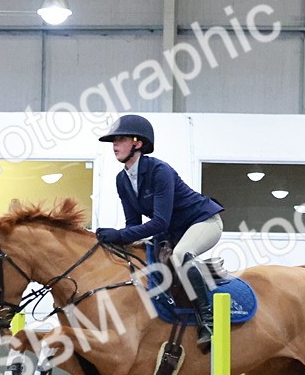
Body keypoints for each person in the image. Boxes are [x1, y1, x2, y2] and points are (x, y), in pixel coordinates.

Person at [95, 114, 224, 351]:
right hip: (173, 232)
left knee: (180, 256)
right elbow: (133, 224)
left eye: (120, 139)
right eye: (113, 141)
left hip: (203, 222)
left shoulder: (159, 171)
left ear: (138, 143)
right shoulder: (122, 180)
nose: (114, 145)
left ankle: (209, 320)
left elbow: (160, 222)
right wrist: (115, 240)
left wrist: (119, 234)